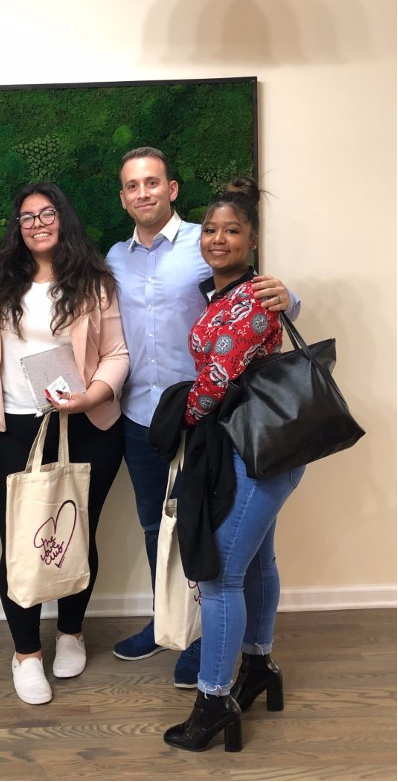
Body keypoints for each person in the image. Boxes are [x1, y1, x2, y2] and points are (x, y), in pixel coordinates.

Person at [106, 147, 301, 686]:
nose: (142, 192)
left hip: (210, 422)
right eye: (131, 185)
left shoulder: (208, 240)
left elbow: (263, 301)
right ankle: (165, 622)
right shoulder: (116, 258)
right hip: (143, 416)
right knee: (156, 529)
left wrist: (292, 296)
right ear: (123, 197)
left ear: (171, 189)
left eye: (152, 182)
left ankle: (200, 640)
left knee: (211, 541)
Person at [151, 177, 306, 752]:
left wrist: (177, 419)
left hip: (255, 454)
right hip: (259, 451)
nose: (218, 239)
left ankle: (214, 699)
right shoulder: (219, 293)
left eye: (232, 231)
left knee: (218, 577)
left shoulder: (257, 296)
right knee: (258, 562)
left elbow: (217, 380)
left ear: (253, 240)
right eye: (211, 230)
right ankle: (259, 667)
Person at [0, 182, 129, 705]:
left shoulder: (94, 282)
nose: (38, 223)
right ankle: (25, 654)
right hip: (13, 429)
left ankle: (70, 632)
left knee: (76, 532)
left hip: (87, 425)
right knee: (20, 539)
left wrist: (90, 396)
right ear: (16, 228)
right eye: (27, 217)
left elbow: (117, 354)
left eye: (47, 214)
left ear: (64, 219)